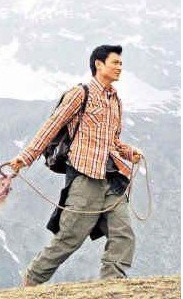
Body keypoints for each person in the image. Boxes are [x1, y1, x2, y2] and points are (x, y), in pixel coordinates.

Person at [10, 45, 143, 286]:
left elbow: (112, 140)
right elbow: (51, 127)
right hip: (84, 176)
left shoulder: (115, 100)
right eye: (115, 62)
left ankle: (111, 288)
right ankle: (30, 283)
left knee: (124, 233)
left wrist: (128, 151)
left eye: (121, 63)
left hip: (112, 178)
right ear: (98, 64)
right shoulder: (79, 94)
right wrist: (25, 157)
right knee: (71, 236)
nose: (120, 67)